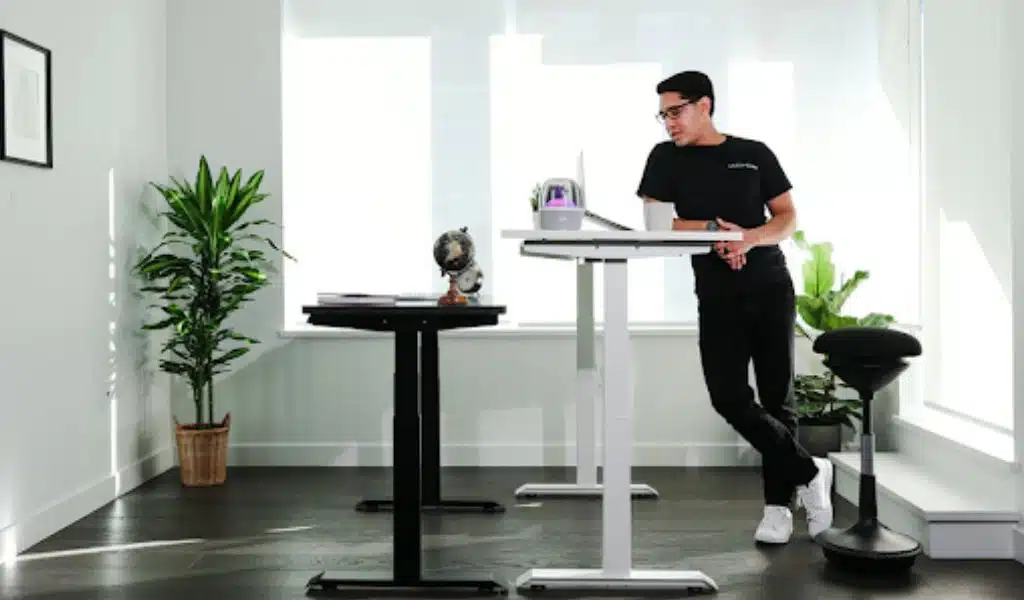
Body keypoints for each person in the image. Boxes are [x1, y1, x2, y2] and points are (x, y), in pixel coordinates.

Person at [635, 70, 833, 544]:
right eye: (662, 115)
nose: (669, 123)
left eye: (676, 111)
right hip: (717, 290)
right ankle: (810, 471)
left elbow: (786, 216)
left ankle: (778, 509)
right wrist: (717, 232)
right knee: (727, 396)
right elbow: (656, 224)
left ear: (705, 105)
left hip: (769, 284)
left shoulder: (753, 153)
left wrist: (750, 237)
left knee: (776, 397)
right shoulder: (664, 159)